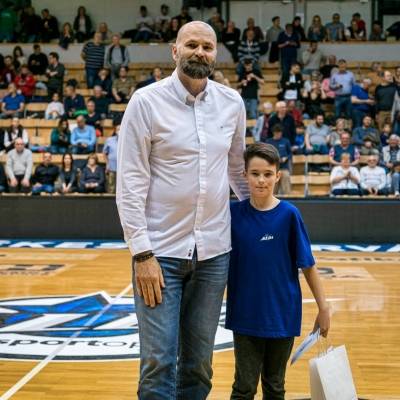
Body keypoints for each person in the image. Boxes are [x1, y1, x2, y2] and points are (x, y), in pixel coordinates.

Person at [116, 21, 248, 399]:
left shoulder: (232, 103)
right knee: (159, 362)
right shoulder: (145, 102)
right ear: (175, 51)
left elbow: (237, 170)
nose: (199, 52)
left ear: (215, 54)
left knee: (199, 364)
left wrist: (266, 217)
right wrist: (142, 254)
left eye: (207, 46)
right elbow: (130, 182)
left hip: (214, 254)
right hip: (159, 254)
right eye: (191, 45)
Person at [226, 142, 330, 399]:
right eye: (255, 174)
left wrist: (324, 308)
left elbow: (308, 266)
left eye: (267, 174)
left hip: (282, 316)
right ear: (244, 175)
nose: (261, 180)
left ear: (278, 176)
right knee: (243, 388)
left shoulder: (289, 215)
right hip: (245, 316)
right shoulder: (231, 214)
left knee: (274, 386)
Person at [266, 125, 292, 194]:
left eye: (280, 133)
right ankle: (271, 198)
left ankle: (288, 197)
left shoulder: (286, 141)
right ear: (273, 133)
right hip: (273, 168)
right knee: (273, 187)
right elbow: (265, 155)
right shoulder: (268, 142)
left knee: (286, 176)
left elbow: (290, 153)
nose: (278, 134)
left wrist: (286, 158)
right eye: (277, 133)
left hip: (284, 167)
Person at [103, 123, 119, 193]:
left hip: (123, 168)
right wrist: (107, 164)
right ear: (115, 131)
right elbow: (104, 153)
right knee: (111, 187)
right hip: (111, 166)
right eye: (118, 129)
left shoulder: (127, 140)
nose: (119, 131)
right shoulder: (109, 140)